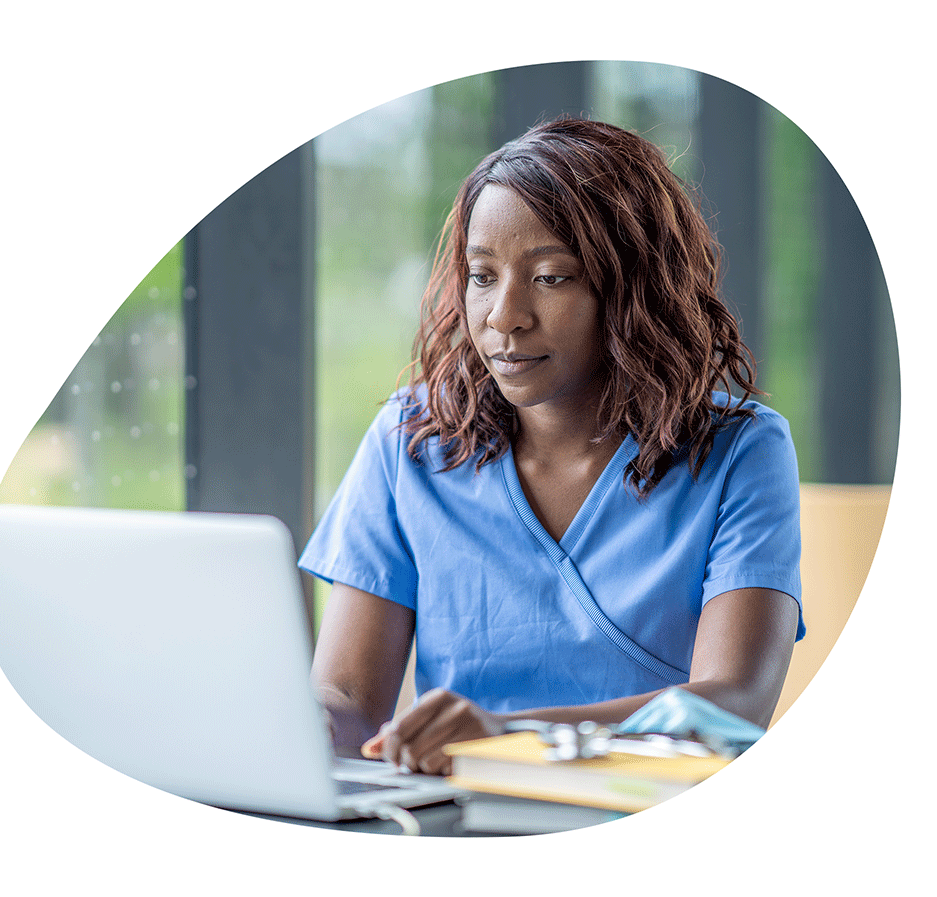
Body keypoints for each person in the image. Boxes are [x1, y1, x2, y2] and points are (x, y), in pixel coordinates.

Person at [298, 116, 804, 776]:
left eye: (550, 277)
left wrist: (508, 736)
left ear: (633, 288)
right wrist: (294, 719)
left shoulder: (741, 451)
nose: (504, 315)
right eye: (482, 275)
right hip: (455, 815)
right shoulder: (411, 442)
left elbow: (733, 705)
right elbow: (351, 706)